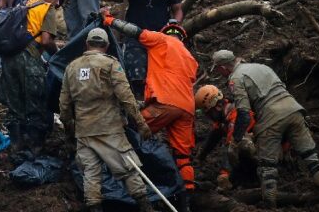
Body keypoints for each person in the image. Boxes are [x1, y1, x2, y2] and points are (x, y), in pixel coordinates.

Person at [212, 50, 319, 205]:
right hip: (293, 109)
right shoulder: (261, 67)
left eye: (217, 69)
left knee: (267, 168)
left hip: (271, 117)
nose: (218, 72)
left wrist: (235, 142)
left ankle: (270, 205)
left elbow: (244, 113)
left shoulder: (235, 78)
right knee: (311, 158)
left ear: (223, 67)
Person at [104, 14, 197, 212]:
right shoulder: (190, 57)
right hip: (187, 108)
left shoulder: (161, 39)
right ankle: (186, 201)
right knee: (183, 156)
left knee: (131, 130)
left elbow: (134, 31)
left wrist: (109, 20)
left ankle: (124, 179)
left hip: (165, 102)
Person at [59, 28, 155, 212]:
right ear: (107, 46)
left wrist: (69, 126)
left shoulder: (72, 67)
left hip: (84, 131)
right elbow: (126, 96)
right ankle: (146, 208)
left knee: (91, 174)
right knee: (129, 168)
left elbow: (64, 103)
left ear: (86, 44)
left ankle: (95, 208)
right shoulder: (111, 64)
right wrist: (141, 123)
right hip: (110, 128)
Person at [103, 0, 182, 99]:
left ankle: (155, 110)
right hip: (135, 36)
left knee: (159, 79)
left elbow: (177, 9)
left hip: (159, 39)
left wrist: (174, 25)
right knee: (137, 77)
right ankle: (137, 109)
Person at [1, 0, 62, 160]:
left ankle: (15, 148)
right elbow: (45, 40)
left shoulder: (23, 4)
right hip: (29, 57)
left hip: (9, 58)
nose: (57, 3)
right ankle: (35, 151)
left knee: (14, 105)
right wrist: (57, 53)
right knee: (35, 103)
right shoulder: (46, 8)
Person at [195, 84, 256, 191]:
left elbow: (230, 146)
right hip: (256, 146)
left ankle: (252, 177)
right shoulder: (224, 116)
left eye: (209, 113)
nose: (209, 117)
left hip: (266, 149)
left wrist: (224, 175)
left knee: (240, 145)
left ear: (217, 107)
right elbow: (213, 137)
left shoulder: (237, 115)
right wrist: (201, 157)